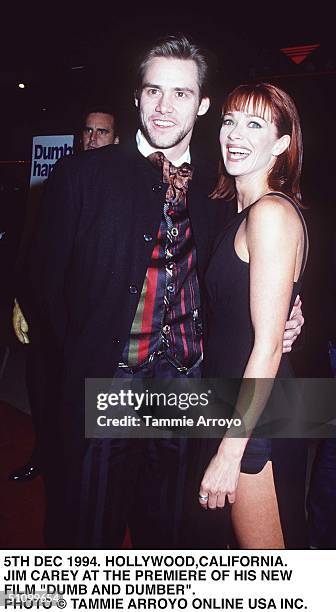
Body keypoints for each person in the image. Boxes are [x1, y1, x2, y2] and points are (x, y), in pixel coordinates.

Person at [20, 37, 303, 548]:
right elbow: (45, 290)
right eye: (154, 91)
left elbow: (242, 277)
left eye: (181, 94)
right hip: (109, 390)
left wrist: (288, 310)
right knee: (88, 537)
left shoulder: (221, 189)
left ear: (202, 104)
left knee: (172, 540)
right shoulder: (82, 175)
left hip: (188, 393)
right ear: (137, 97)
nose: (165, 107)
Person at [198, 83, 308, 549]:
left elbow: (265, 346)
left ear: (281, 145)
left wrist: (230, 449)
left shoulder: (271, 214)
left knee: (272, 577)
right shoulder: (236, 213)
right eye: (229, 121)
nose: (235, 134)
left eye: (255, 124)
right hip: (234, 402)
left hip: (256, 417)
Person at [10, 105, 120, 482]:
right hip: (49, 310)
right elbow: (36, 243)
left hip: (92, 318)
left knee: (84, 404)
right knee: (41, 388)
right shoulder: (62, 175)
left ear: (116, 139)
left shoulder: (124, 186)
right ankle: (44, 454)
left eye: (101, 132)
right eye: (87, 131)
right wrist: (21, 301)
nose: (91, 139)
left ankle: (80, 469)